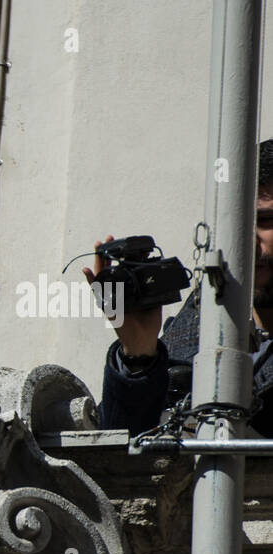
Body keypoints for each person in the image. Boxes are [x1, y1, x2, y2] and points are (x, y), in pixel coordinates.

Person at [95, 139, 273, 437]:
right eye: (235, 223)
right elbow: (124, 460)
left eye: (265, 220)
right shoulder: (202, 316)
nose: (245, 241)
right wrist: (137, 355)